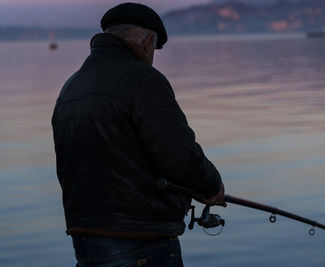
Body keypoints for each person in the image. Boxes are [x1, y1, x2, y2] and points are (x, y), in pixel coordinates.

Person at [51, 3, 225, 267]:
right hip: (141, 242)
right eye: (154, 49)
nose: (152, 55)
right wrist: (211, 185)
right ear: (148, 40)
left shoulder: (71, 86)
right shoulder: (144, 79)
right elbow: (178, 154)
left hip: (86, 243)